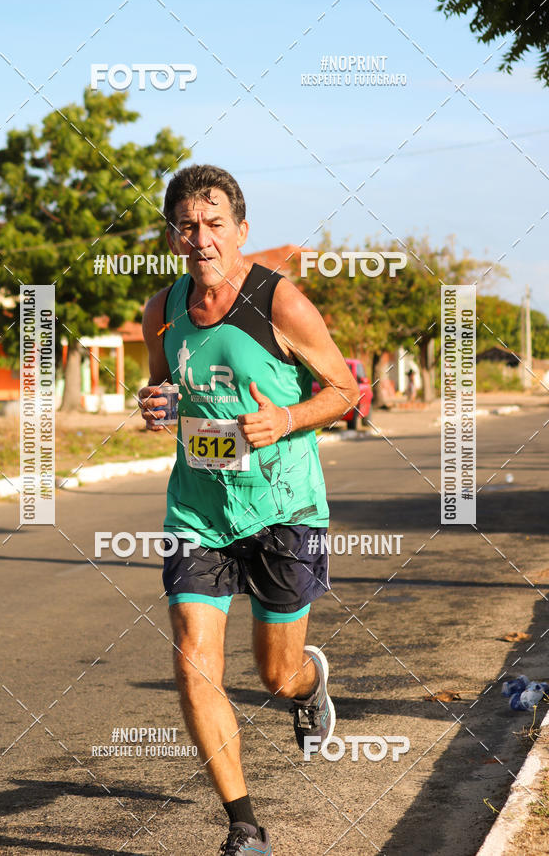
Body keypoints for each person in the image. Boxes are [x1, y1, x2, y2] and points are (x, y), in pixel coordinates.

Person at [139, 164, 359, 855]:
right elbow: (162, 388)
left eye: (213, 224)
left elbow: (345, 391)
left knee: (273, 673)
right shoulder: (163, 309)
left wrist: (287, 419)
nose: (200, 237)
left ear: (240, 231)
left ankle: (308, 684)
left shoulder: (280, 304)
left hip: (284, 510)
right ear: (173, 234)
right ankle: (245, 827)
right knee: (193, 665)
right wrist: (155, 404)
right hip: (198, 514)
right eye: (186, 224)